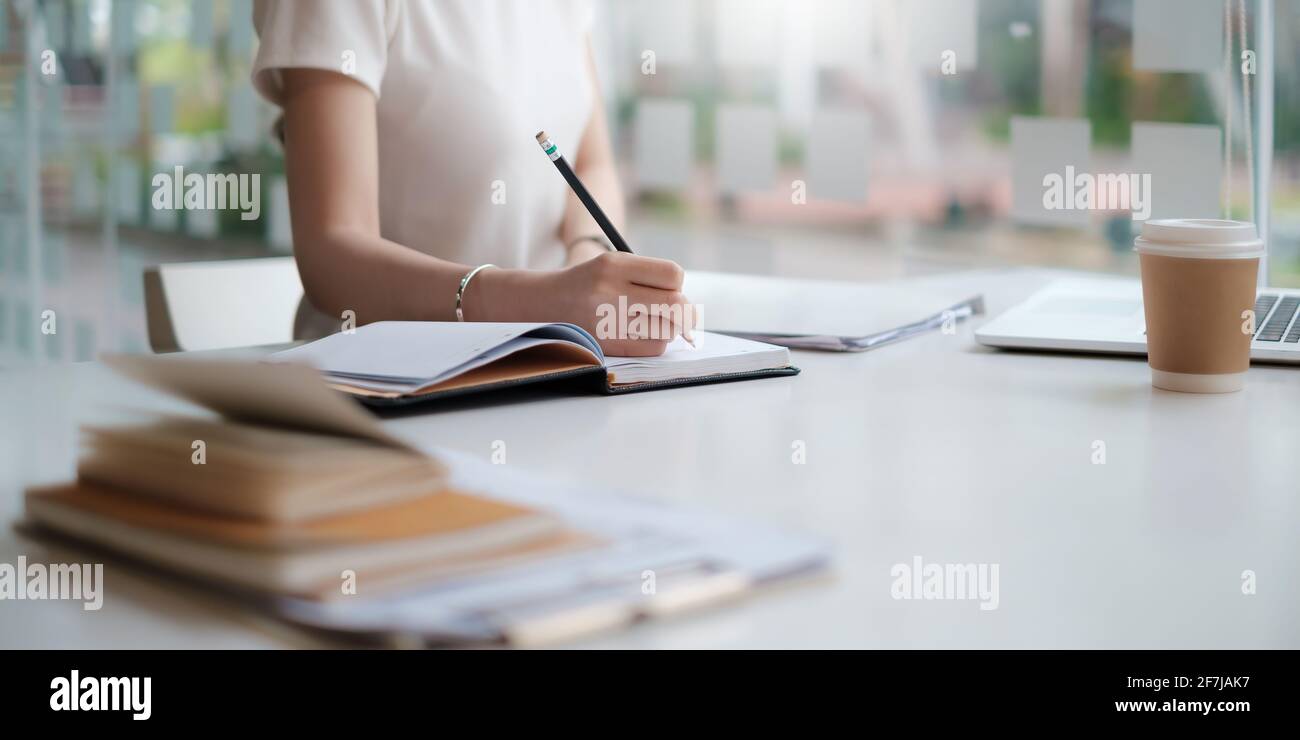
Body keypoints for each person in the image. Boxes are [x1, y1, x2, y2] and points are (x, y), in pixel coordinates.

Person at [251, 0, 694, 355]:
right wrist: (544, 302)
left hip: (546, 364)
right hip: (381, 382)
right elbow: (332, 253)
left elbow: (591, 163)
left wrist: (589, 259)